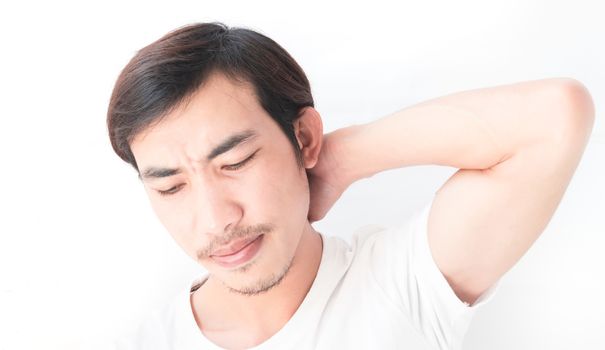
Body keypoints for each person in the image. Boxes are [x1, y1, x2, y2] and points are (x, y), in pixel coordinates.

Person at [105, 22, 594, 350]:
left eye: (235, 161)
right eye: (171, 188)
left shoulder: (401, 283)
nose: (215, 218)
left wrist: (336, 160)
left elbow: (556, 115)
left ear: (303, 136)